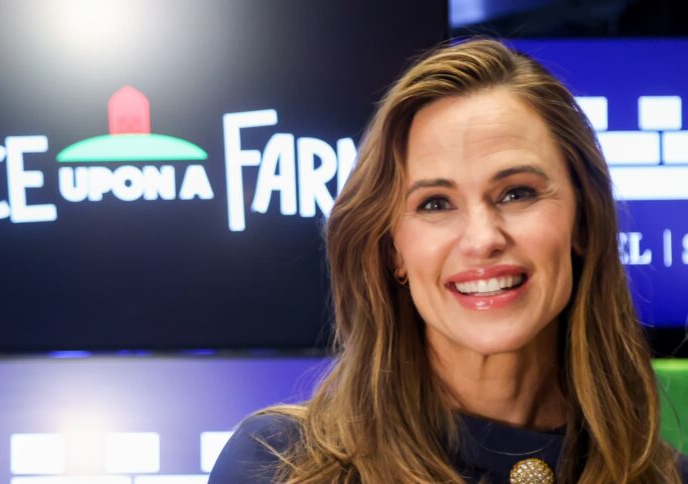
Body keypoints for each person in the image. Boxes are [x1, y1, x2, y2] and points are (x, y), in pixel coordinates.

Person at [209, 39, 688, 483]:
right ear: (393, 250)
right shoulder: (277, 465)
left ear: (583, 221)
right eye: (435, 203)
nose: (482, 239)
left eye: (517, 193)